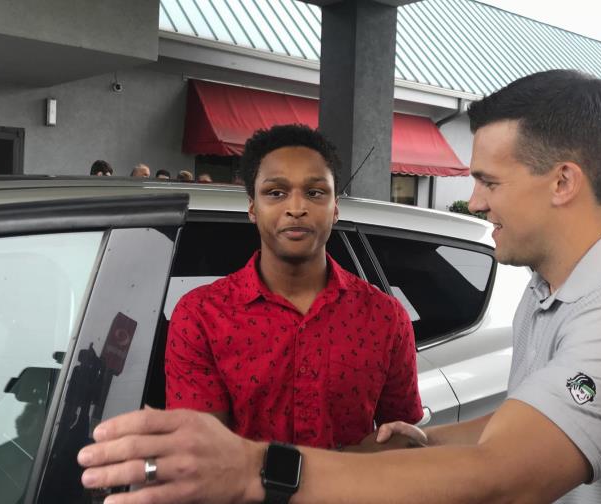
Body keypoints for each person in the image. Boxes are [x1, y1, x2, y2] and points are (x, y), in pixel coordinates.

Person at [78, 70, 601, 504]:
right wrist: (425, 442)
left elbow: (501, 477)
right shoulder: (551, 292)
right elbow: (518, 423)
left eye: (489, 182)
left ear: (563, 182)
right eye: (275, 193)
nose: (472, 203)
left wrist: (252, 469)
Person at [165, 124, 422, 451]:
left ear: (336, 207)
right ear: (252, 208)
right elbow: (202, 453)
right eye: (276, 192)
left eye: (315, 192)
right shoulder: (200, 316)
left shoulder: (386, 318)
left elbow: (401, 440)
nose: (296, 207)